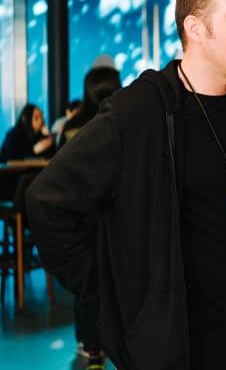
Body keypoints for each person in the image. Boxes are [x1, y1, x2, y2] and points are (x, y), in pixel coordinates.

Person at [26, 0, 226, 370]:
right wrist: (107, 291)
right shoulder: (139, 110)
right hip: (173, 342)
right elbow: (46, 200)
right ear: (196, 29)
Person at [58, 66, 121, 369]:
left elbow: (56, 173)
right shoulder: (122, 121)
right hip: (117, 215)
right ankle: (117, 341)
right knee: (119, 279)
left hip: (81, 216)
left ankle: (91, 347)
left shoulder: (72, 126)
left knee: (88, 283)